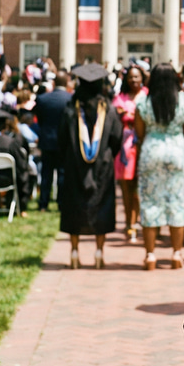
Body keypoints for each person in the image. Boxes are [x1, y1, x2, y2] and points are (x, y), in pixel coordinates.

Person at [59, 63, 122, 269]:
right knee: (101, 205)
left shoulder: (70, 109)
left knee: (74, 205)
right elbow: (116, 139)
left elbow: (62, 139)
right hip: (102, 165)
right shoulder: (109, 110)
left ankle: (74, 252)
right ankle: (98, 252)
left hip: (74, 164)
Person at [134, 63, 184, 271]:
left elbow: (139, 132)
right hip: (177, 149)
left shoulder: (143, 101)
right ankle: (177, 254)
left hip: (152, 149)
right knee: (177, 202)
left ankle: (150, 255)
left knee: (150, 203)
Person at [112, 64, 147, 242]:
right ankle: (128, 223)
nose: (134, 80)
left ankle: (137, 219)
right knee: (126, 188)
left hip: (143, 146)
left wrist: (129, 114)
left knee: (139, 189)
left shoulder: (147, 95)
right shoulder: (120, 97)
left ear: (142, 78)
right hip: (125, 148)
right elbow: (115, 114)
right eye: (131, 77)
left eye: (137, 77)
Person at [34, 71, 73, 211]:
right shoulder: (71, 98)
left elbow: (40, 119)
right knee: (62, 173)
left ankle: (43, 203)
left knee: (46, 174)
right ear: (67, 82)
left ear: (54, 82)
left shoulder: (43, 99)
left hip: (47, 140)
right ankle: (61, 203)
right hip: (64, 142)